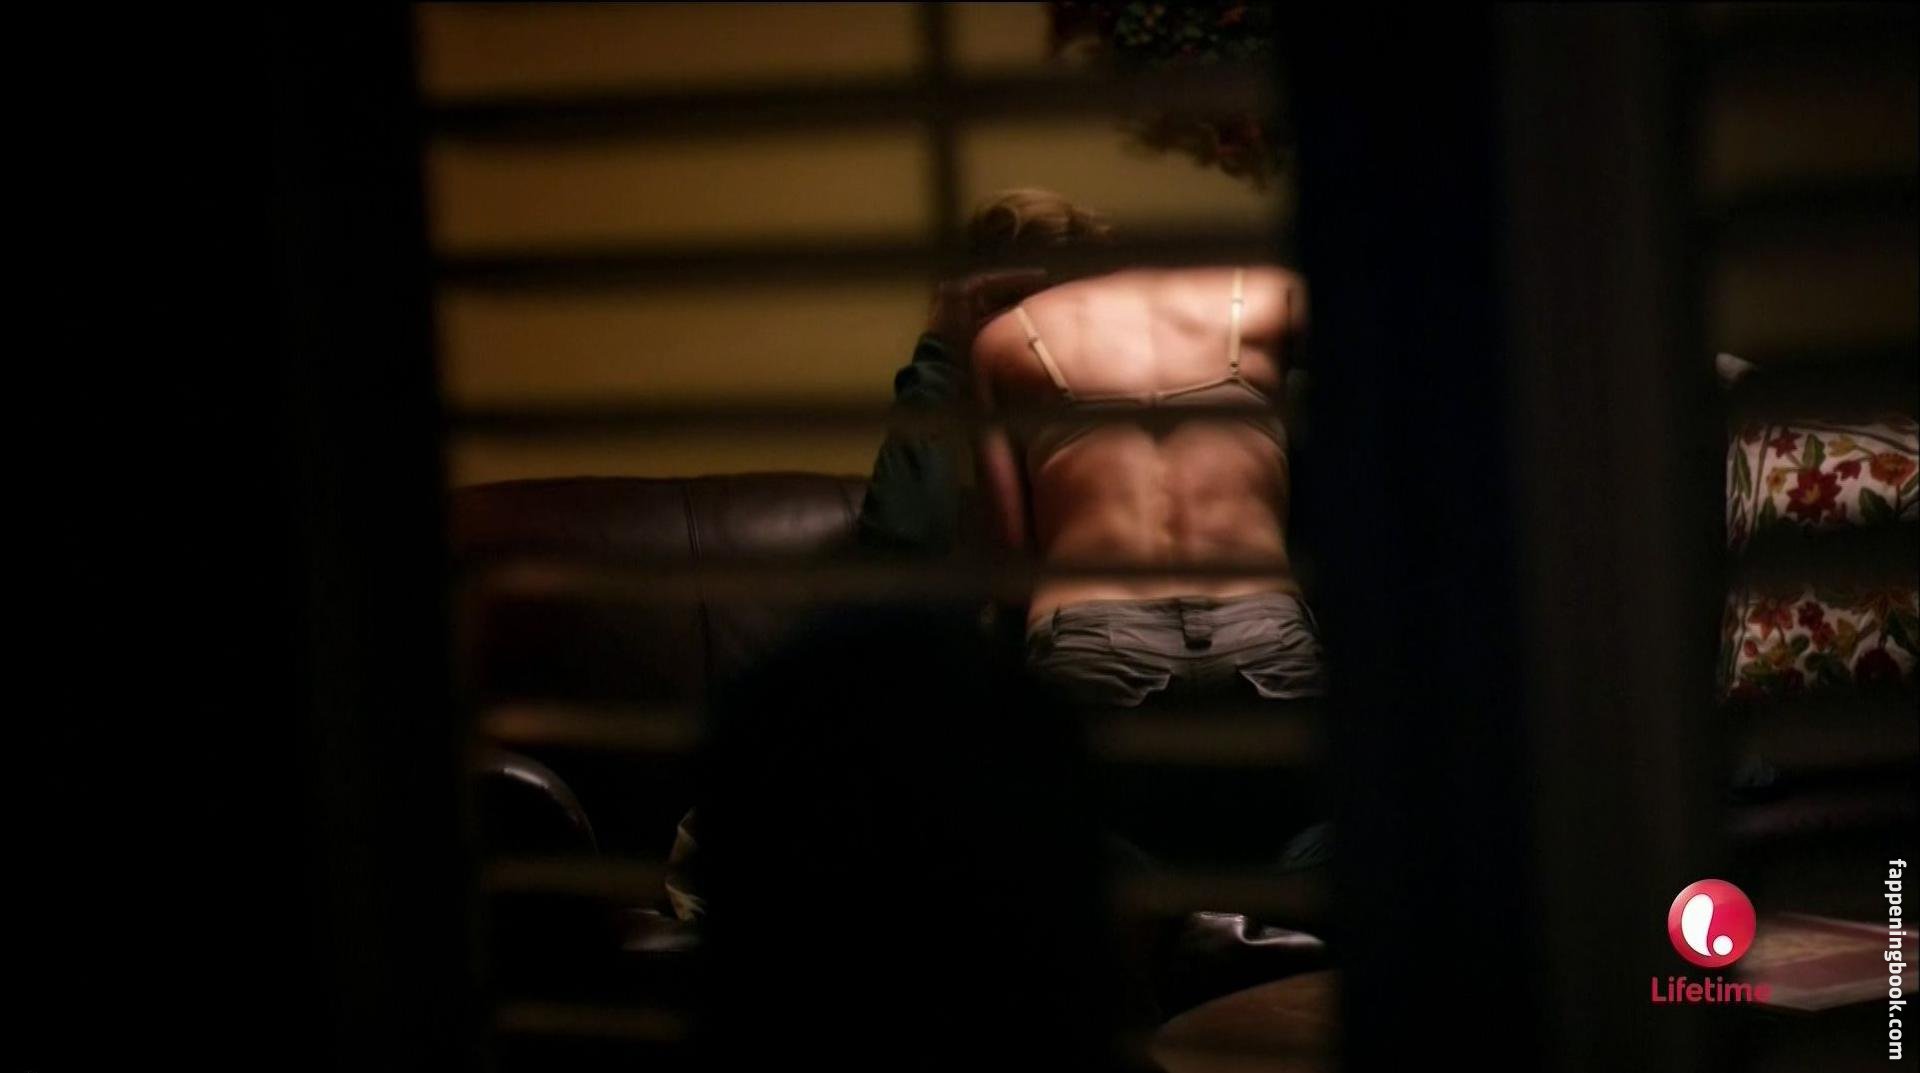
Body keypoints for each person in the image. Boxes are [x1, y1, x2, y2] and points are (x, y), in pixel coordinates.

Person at [965, 189, 1333, 875]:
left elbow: (1012, 566)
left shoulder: (1004, 340)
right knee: (1316, 821)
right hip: (1261, 628)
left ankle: (1146, 900)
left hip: (1095, 641)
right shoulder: (1264, 295)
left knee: (1075, 841)